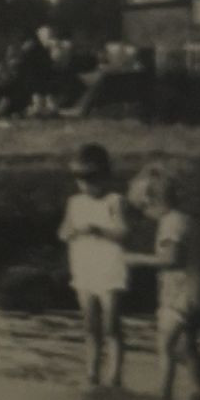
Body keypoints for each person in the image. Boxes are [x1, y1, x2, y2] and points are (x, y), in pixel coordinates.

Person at [125, 165, 200, 400]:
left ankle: (164, 395)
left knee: (165, 344)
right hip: (199, 293)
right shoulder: (185, 219)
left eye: (142, 208)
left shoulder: (170, 224)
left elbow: (172, 259)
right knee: (187, 344)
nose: (143, 215)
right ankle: (196, 391)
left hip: (179, 295)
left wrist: (135, 259)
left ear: (150, 200)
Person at [58, 143, 129, 387]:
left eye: (90, 177)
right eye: (79, 177)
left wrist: (98, 230)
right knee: (90, 325)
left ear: (105, 175)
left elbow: (122, 232)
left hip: (109, 267)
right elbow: (63, 232)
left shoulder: (114, 201)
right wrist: (70, 232)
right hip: (85, 268)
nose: (85, 184)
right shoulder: (74, 202)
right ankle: (91, 372)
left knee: (111, 324)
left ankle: (115, 375)